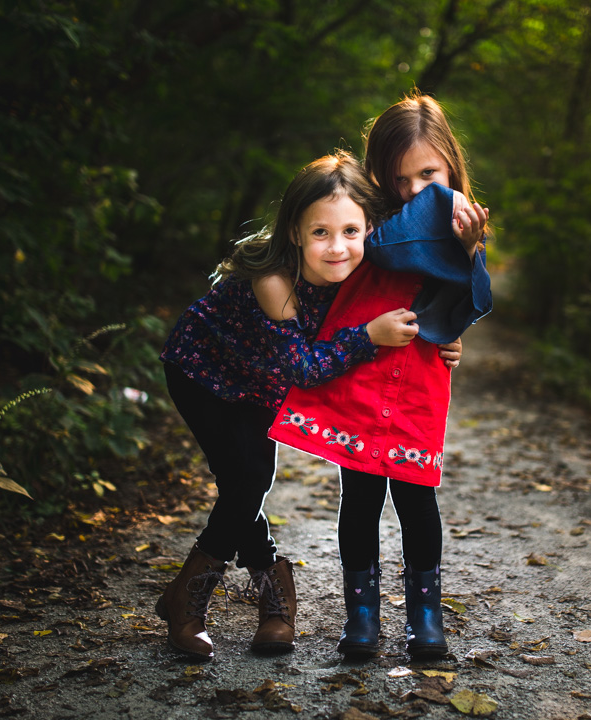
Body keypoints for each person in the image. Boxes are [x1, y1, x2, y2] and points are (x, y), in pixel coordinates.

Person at [155, 151, 467, 661]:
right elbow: (303, 367)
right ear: (296, 233)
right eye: (320, 233)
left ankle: (265, 603)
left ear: (370, 228)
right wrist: (369, 336)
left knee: (244, 482)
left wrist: (448, 337)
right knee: (248, 480)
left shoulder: (367, 265)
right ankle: (192, 601)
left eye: (350, 231)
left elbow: (430, 280)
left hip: (261, 384)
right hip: (204, 373)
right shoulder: (274, 277)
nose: (338, 247)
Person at [268, 91, 490, 659]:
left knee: (418, 502)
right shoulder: (370, 222)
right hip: (362, 378)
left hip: (416, 381)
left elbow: (468, 304)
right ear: (378, 176)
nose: (416, 190)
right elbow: (376, 254)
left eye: (428, 173)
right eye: (399, 178)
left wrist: (469, 253)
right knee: (361, 499)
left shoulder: (461, 224)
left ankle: (426, 618)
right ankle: (361, 618)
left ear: (451, 166)